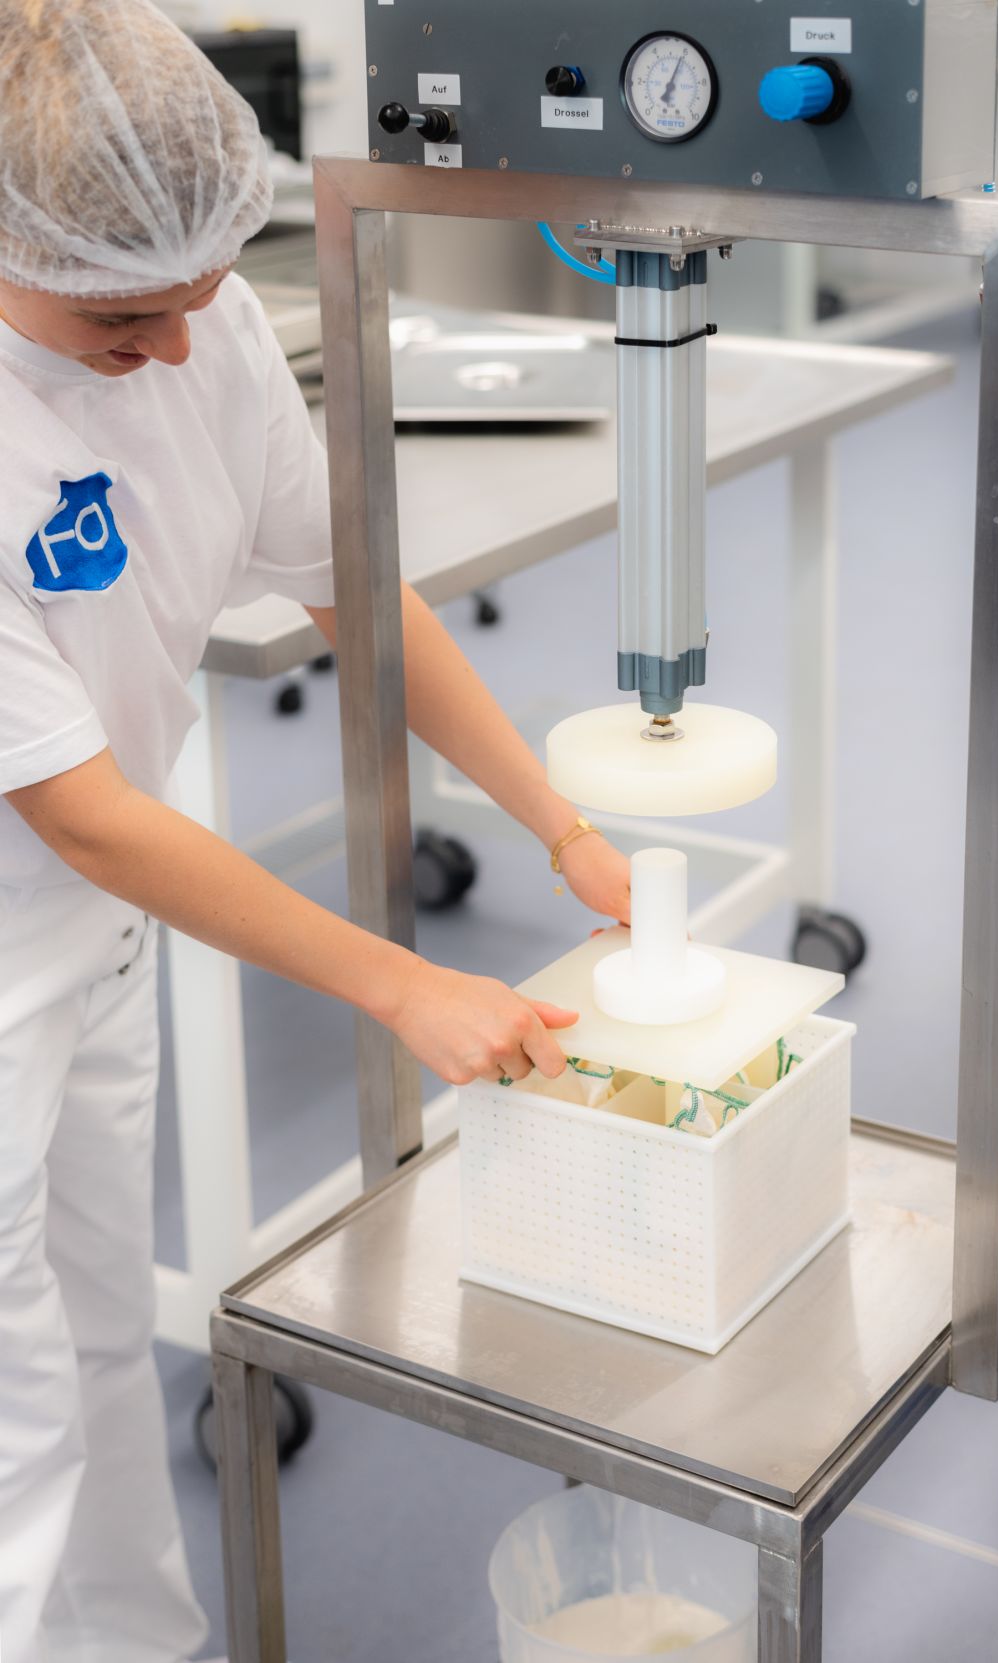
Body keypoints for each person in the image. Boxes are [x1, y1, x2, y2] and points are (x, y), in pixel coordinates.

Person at [0, 3, 631, 1659]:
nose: (171, 349)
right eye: (119, 318)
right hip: (16, 921)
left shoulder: (192, 341)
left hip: (98, 942)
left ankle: (139, 1644)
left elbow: (353, 586)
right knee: (9, 1434)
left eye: (202, 298)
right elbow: (88, 819)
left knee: (88, 1349)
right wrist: (397, 984)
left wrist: (557, 822)